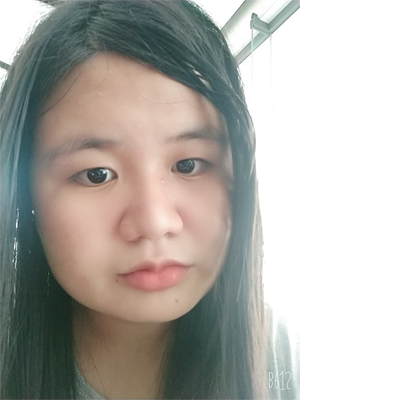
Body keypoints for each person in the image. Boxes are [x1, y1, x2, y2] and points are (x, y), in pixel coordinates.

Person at [0, 1, 298, 399]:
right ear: (25, 191)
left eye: (189, 165)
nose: (156, 222)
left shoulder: (278, 353)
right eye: (97, 174)